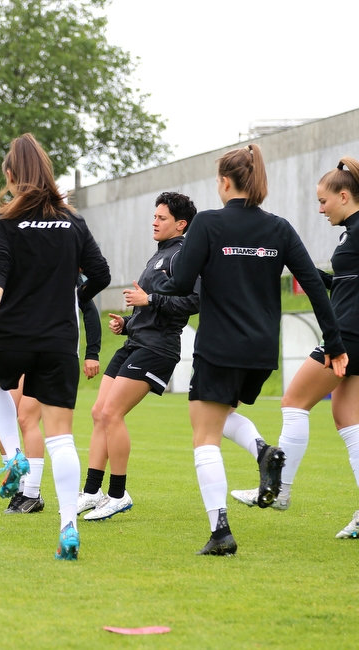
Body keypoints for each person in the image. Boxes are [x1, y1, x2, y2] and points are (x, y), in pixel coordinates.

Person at [149, 144, 347, 556]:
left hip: (219, 345)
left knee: (203, 433)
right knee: (220, 412)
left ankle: (220, 530)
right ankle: (263, 450)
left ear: (224, 182)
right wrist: (335, 342)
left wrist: (156, 291)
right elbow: (313, 284)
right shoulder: (279, 227)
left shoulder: (207, 223)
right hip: (260, 353)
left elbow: (183, 283)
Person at [0, 133, 111, 560]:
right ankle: (68, 526)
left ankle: (14, 455)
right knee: (62, 438)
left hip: (13, 337)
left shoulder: (4, 220)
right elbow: (102, 275)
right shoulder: (73, 220)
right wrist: (70, 297)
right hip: (59, 345)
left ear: (12, 176)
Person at [227, 157, 359, 538]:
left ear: (345, 196)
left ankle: (279, 491)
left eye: (323, 201)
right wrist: (314, 276)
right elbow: (348, 282)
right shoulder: (350, 233)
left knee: (294, 402)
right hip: (352, 333)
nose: (320, 209)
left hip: (348, 335)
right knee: (347, 419)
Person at [79, 192, 200, 521]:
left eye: (161, 218)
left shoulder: (184, 255)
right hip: (136, 341)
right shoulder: (158, 256)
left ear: (181, 224)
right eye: (155, 216)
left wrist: (149, 301)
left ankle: (118, 494)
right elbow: (152, 306)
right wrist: (128, 323)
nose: (154, 221)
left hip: (157, 348)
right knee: (98, 412)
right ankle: (91, 492)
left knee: (112, 413)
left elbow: (195, 301)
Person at [0, 282, 102, 515]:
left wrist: (92, 353)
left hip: (54, 356)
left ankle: (31, 494)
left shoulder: (66, 273)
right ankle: (20, 487)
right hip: (22, 352)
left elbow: (90, 309)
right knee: (3, 420)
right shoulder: (24, 273)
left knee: (26, 419)